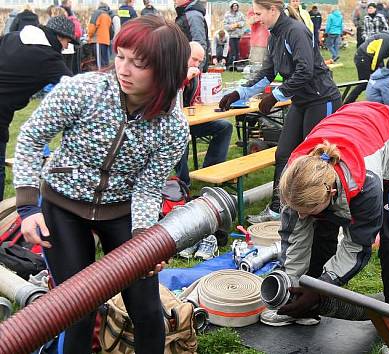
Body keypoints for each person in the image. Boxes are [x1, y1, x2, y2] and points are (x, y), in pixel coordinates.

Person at [13, 16, 189, 353]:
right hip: (63, 205)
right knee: (77, 309)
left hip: (121, 211)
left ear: (165, 70)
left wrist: (144, 242)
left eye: (138, 64)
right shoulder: (83, 90)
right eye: (120, 56)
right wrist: (27, 206)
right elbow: (32, 137)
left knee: (148, 312)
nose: (123, 69)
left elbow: (149, 187)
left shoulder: (173, 127)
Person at [263, 101, 389, 325]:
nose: (300, 216)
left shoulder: (366, 186)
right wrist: (294, 285)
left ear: (330, 193)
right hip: (355, 127)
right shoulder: (296, 177)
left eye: (306, 211)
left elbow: (356, 246)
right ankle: (305, 304)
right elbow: (295, 239)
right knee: (321, 229)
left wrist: (323, 288)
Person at [220, 0, 341, 224]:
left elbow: (305, 70)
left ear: (272, 10)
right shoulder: (274, 35)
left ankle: (321, 209)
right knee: (283, 154)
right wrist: (239, 93)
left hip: (321, 99)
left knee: (315, 158)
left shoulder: (296, 31)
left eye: (258, 13)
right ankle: (278, 210)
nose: (256, 18)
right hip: (300, 101)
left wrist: (275, 96)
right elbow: (267, 72)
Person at [0, 16, 75, 201]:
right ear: (59, 36)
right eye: (67, 41)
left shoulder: (12, 37)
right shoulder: (48, 58)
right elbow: (77, 89)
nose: (66, 47)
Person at [177, 42, 232, 259]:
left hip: (192, 119)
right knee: (180, 138)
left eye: (200, 60)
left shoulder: (196, 74)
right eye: (194, 59)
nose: (198, 64)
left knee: (225, 127)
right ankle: (184, 187)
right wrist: (185, 77)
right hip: (173, 122)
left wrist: (199, 98)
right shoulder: (172, 70)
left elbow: (194, 100)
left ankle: (211, 172)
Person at [344, 31, 389, 103]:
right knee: (364, 83)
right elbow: (377, 58)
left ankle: (384, 98)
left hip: (368, 58)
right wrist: (375, 73)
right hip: (363, 57)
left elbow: (380, 59)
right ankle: (347, 102)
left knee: (381, 78)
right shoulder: (388, 40)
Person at [175, 0, 209, 71]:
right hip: (186, 64)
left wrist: (196, 69)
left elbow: (200, 44)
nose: (175, 0)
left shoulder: (193, 16)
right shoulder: (186, 14)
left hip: (191, 67)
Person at [88, 2, 113, 69]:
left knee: (99, 64)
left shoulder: (96, 13)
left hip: (98, 40)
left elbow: (92, 27)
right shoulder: (108, 16)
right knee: (105, 63)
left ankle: (100, 77)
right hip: (106, 41)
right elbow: (111, 31)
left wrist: (89, 36)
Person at [224, 0, 246, 65]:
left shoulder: (240, 14)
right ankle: (231, 63)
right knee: (232, 50)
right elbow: (225, 25)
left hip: (238, 36)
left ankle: (237, 63)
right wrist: (231, 27)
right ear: (231, 7)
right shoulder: (227, 14)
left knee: (238, 50)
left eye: (236, 6)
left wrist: (238, 24)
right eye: (234, 6)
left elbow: (243, 22)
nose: (235, 7)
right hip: (231, 36)